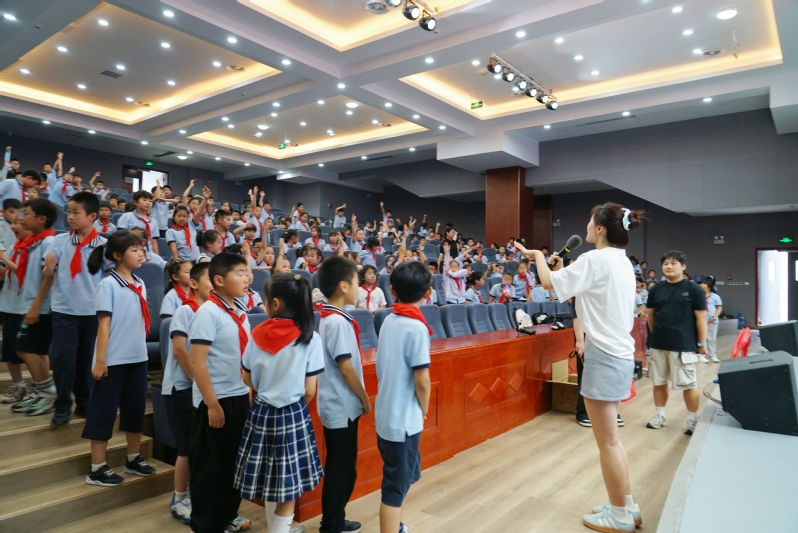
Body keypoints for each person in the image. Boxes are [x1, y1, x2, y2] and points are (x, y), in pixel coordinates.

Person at [515, 202, 645, 532]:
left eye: (590, 220)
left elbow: (547, 283)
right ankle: (628, 506)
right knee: (614, 440)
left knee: (608, 443)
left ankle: (619, 516)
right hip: (620, 354)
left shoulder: (594, 259)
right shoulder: (621, 261)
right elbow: (579, 289)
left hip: (604, 357)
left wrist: (538, 256)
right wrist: (561, 270)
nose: (587, 225)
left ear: (600, 228)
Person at [233, 273, 322, 533]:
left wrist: (266, 389)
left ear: (274, 303)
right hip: (292, 413)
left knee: (269, 481)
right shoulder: (310, 337)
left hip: (261, 411)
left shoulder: (256, 333)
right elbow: (309, 390)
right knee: (287, 488)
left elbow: (246, 377)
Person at [82, 230, 156, 486]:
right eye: (134, 250)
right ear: (117, 255)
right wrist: (100, 361)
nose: (141, 254)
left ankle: (133, 458)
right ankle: (97, 468)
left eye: (141, 249)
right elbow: (103, 325)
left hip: (137, 357)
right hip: (112, 360)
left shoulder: (140, 282)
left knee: (135, 411)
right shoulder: (108, 285)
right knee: (103, 413)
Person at [188, 253, 253, 533]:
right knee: (211, 468)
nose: (247, 278)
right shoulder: (208, 313)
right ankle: (206, 525)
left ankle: (227, 516)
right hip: (216, 399)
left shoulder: (239, 310)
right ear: (219, 280)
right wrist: (212, 404)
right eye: (239, 273)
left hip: (238, 395)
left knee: (234, 463)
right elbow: (197, 363)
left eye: (246, 272)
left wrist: (247, 390)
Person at [375, 261, 432, 533]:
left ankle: (396, 525)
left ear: (393, 291)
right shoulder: (416, 328)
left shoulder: (388, 319)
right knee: (395, 489)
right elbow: (422, 379)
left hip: (387, 414)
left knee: (401, 478)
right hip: (403, 421)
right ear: (428, 292)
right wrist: (425, 408)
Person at [316, 256, 370, 533]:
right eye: (356, 282)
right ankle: (331, 525)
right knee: (341, 469)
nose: (359, 287)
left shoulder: (333, 318)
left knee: (343, 467)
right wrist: (364, 397)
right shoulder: (336, 322)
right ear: (343, 286)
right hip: (341, 405)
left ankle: (335, 519)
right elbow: (346, 368)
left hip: (338, 404)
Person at [44, 192, 106, 426]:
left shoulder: (103, 246)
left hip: (91, 312)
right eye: (68, 212)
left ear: (92, 216)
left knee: (85, 360)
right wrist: (49, 267)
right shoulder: (59, 241)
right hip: (64, 310)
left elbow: (110, 277)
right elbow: (47, 273)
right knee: (63, 359)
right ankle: (62, 404)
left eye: (75, 212)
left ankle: (84, 401)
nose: (70, 216)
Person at [163, 262, 211, 524]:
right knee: (186, 447)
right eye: (210, 280)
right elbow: (180, 350)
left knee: (200, 446)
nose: (215, 284)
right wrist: (198, 381)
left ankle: (196, 495)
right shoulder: (185, 310)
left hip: (200, 388)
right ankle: (179, 499)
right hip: (182, 387)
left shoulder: (212, 312)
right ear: (193, 284)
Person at [645, 250, 708, 437]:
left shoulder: (694, 289)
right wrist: (656, 335)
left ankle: (691, 419)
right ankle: (660, 415)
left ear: (683, 266)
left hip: (683, 345)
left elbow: (701, 317)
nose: (669, 266)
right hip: (658, 344)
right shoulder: (655, 289)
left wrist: (702, 343)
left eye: (673, 263)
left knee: (689, 384)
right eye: (665, 263)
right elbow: (650, 315)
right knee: (659, 382)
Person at [9, 199, 58, 417]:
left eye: (26, 214)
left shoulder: (49, 243)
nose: (21, 218)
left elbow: (49, 278)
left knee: (24, 349)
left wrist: (35, 307)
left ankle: (47, 392)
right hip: (30, 304)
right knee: (35, 350)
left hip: (40, 307)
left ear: (41, 219)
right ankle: (41, 390)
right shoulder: (33, 242)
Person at [0, 212, 32, 405]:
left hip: (26, 307)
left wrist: (3, 257)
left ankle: (41, 386)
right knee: (9, 350)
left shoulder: (34, 248)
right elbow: (6, 273)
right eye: (12, 223)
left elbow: (23, 272)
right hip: (10, 305)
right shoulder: (13, 247)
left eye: (18, 223)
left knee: (29, 350)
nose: (13, 227)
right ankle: (19, 385)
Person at [116, 190, 160, 256]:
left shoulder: (153, 222)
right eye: (144, 200)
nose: (148, 203)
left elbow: (154, 242)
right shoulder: (127, 216)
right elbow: (121, 236)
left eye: (150, 201)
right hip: (131, 253)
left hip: (149, 254)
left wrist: (157, 256)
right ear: (135, 202)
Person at [700, 276, 722, 363]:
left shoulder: (715, 297)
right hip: (701, 319)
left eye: (704, 284)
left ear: (709, 286)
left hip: (712, 320)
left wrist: (714, 317)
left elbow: (719, 308)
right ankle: (701, 355)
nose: (701, 285)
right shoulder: (699, 295)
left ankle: (712, 355)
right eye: (702, 283)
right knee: (701, 338)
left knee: (711, 338)